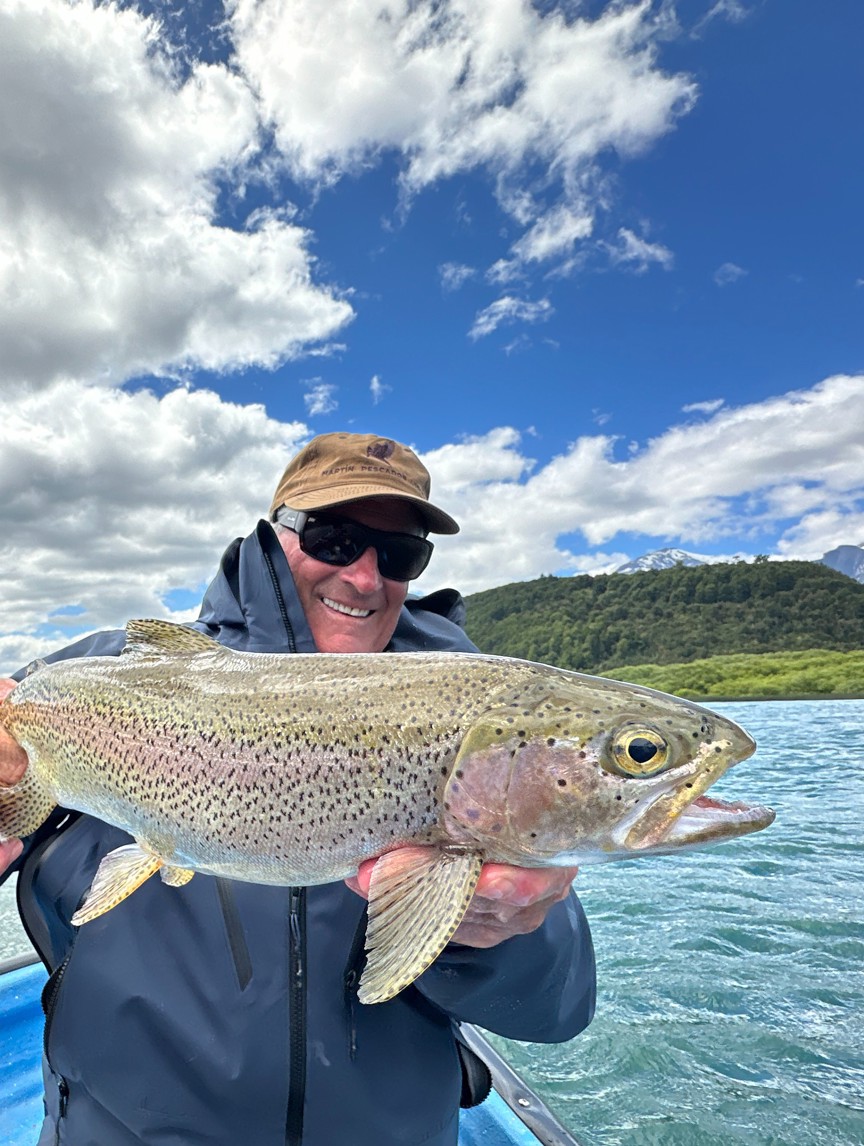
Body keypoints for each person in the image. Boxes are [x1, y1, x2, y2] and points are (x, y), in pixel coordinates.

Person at [0, 432, 595, 1146]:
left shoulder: (484, 720)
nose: (366, 577)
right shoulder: (94, 676)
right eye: (336, 538)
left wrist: (501, 930)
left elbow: (554, 1013)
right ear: (274, 534)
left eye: (400, 553)